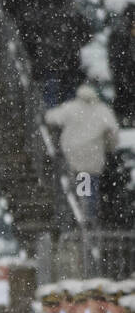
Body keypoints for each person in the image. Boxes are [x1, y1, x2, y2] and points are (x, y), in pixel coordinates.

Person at [45, 83, 119, 221]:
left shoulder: (72, 107)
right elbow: (113, 131)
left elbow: (51, 117)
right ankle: (88, 217)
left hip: (73, 152)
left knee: (79, 182)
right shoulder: (102, 110)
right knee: (89, 186)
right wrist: (110, 147)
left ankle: (77, 215)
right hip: (94, 153)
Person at [106, 5, 135, 127]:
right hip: (125, 74)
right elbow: (117, 56)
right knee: (124, 98)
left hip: (124, 74)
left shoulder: (119, 31)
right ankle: (124, 121)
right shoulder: (120, 32)